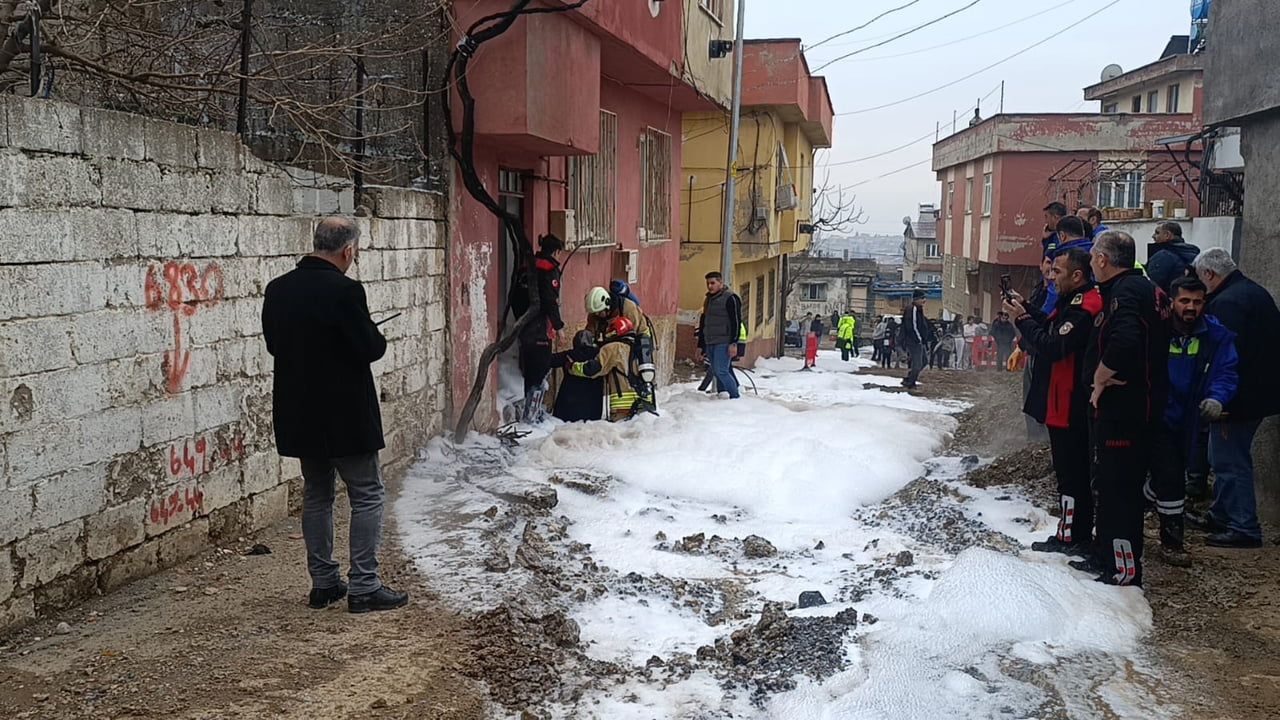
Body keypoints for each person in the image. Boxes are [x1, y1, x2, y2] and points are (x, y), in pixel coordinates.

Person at [261, 216, 408, 613]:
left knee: (317, 493)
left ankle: (324, 582)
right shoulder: (346, 292)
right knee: (367, 493)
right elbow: (370, 348)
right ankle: (364, 585)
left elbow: (276, 344)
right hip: (345, 414)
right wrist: (373, 334)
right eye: (354, 253)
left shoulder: (277, 290)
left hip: (300, 412)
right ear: (347, 250)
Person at [1080, 231, 1168, 587]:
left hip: (1127, 412)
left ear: (1103, 259)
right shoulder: (1144, 288)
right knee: (1109, 484)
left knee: (1120, 492)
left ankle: (1123, 568)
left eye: (1092, 257)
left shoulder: (1128, 292)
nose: (1089, 263)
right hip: (1131, 407)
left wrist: (1101, 377)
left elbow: (1128, 340)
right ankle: (1104, 555)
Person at [1006, 248, 1101, 557]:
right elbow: (1050, 324)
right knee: (1069, 471)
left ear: (1077, 275)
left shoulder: (1085, 306)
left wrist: (1020, 318)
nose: (1050, 277)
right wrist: (1027, 308)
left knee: (1071, 473)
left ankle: (1072, 535)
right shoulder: (1073, 302)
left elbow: (1053, 345)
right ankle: (1072, 531)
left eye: (1057, 272)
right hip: (1061, 400)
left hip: (1070, 402)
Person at [1190, 248, 1280, 547]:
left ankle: (1244, 526)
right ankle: (1221, 514)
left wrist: (1216, 395)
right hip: (1258, 391)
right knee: (1221, 456)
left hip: (1236, 399)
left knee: (1230, 461)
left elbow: (1224, 357)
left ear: (1210, 275)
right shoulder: (1252, 292)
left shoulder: (1227, 304)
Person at [1145, 276, 1238, 566]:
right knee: (1169, 477)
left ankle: (1159, 519)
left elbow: (1226, 371)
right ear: (1172, 301)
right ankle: (1167, 540)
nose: (1191, 307)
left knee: (1170, 476)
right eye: (1184, 301)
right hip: (1154, 414)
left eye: (1198, 302)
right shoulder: (1156, 330)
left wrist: (1218, 398)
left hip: (1187, 421)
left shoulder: (1215, 335)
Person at [556, 317, 656, 421]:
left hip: (623, 410)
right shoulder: (640, 349)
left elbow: (592, 370)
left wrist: (572, 367)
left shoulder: (613, 348)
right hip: (645, 405)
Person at [514, 234, 565, 423]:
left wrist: (520, 319)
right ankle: (532, 417)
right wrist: (559, 327)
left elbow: (515, 295)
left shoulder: (526, 266)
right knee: (541, 370)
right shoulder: (549, 269)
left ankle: (530, 412)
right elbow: (549, 300)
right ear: (556, 251)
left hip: (524, 325)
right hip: (540, 327)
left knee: (530, 370)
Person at [695, 272, 744, 399]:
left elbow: (736, 322)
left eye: (713, 283)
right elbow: (704, 322)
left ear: (720, 283)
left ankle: (735, 397)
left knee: (721, 371)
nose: (710, 286)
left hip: (724, 341)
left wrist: (733, 343)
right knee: (718, 371)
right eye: (708, 283)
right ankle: (723, 394)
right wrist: (701, 345)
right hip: (710, 340)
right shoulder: (708, 300)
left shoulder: (730, 298)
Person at [1041, 215, 1094, 313]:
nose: (1052, 276)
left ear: (1062, 236)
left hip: (1067, 312)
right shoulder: (1095, 252)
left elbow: (1053, 296)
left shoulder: (1062, 258)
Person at [1145, 221, 1200, 294]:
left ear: (1167, 235)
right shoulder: (1192, 253)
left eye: (1157, 233)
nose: (1153, 236)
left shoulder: (1163, 256)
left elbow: (1151, 285)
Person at [900, 290, 936, 389]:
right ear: (916, 299)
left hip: (919, 340)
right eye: (922, 298)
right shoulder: (913, 309)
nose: (924, 300)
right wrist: (918, 338)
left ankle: (909, 378)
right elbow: (912, 325)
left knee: (924, 361)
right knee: (918, 363)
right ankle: (910, 383)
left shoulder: (918, 309)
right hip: (914, 341)